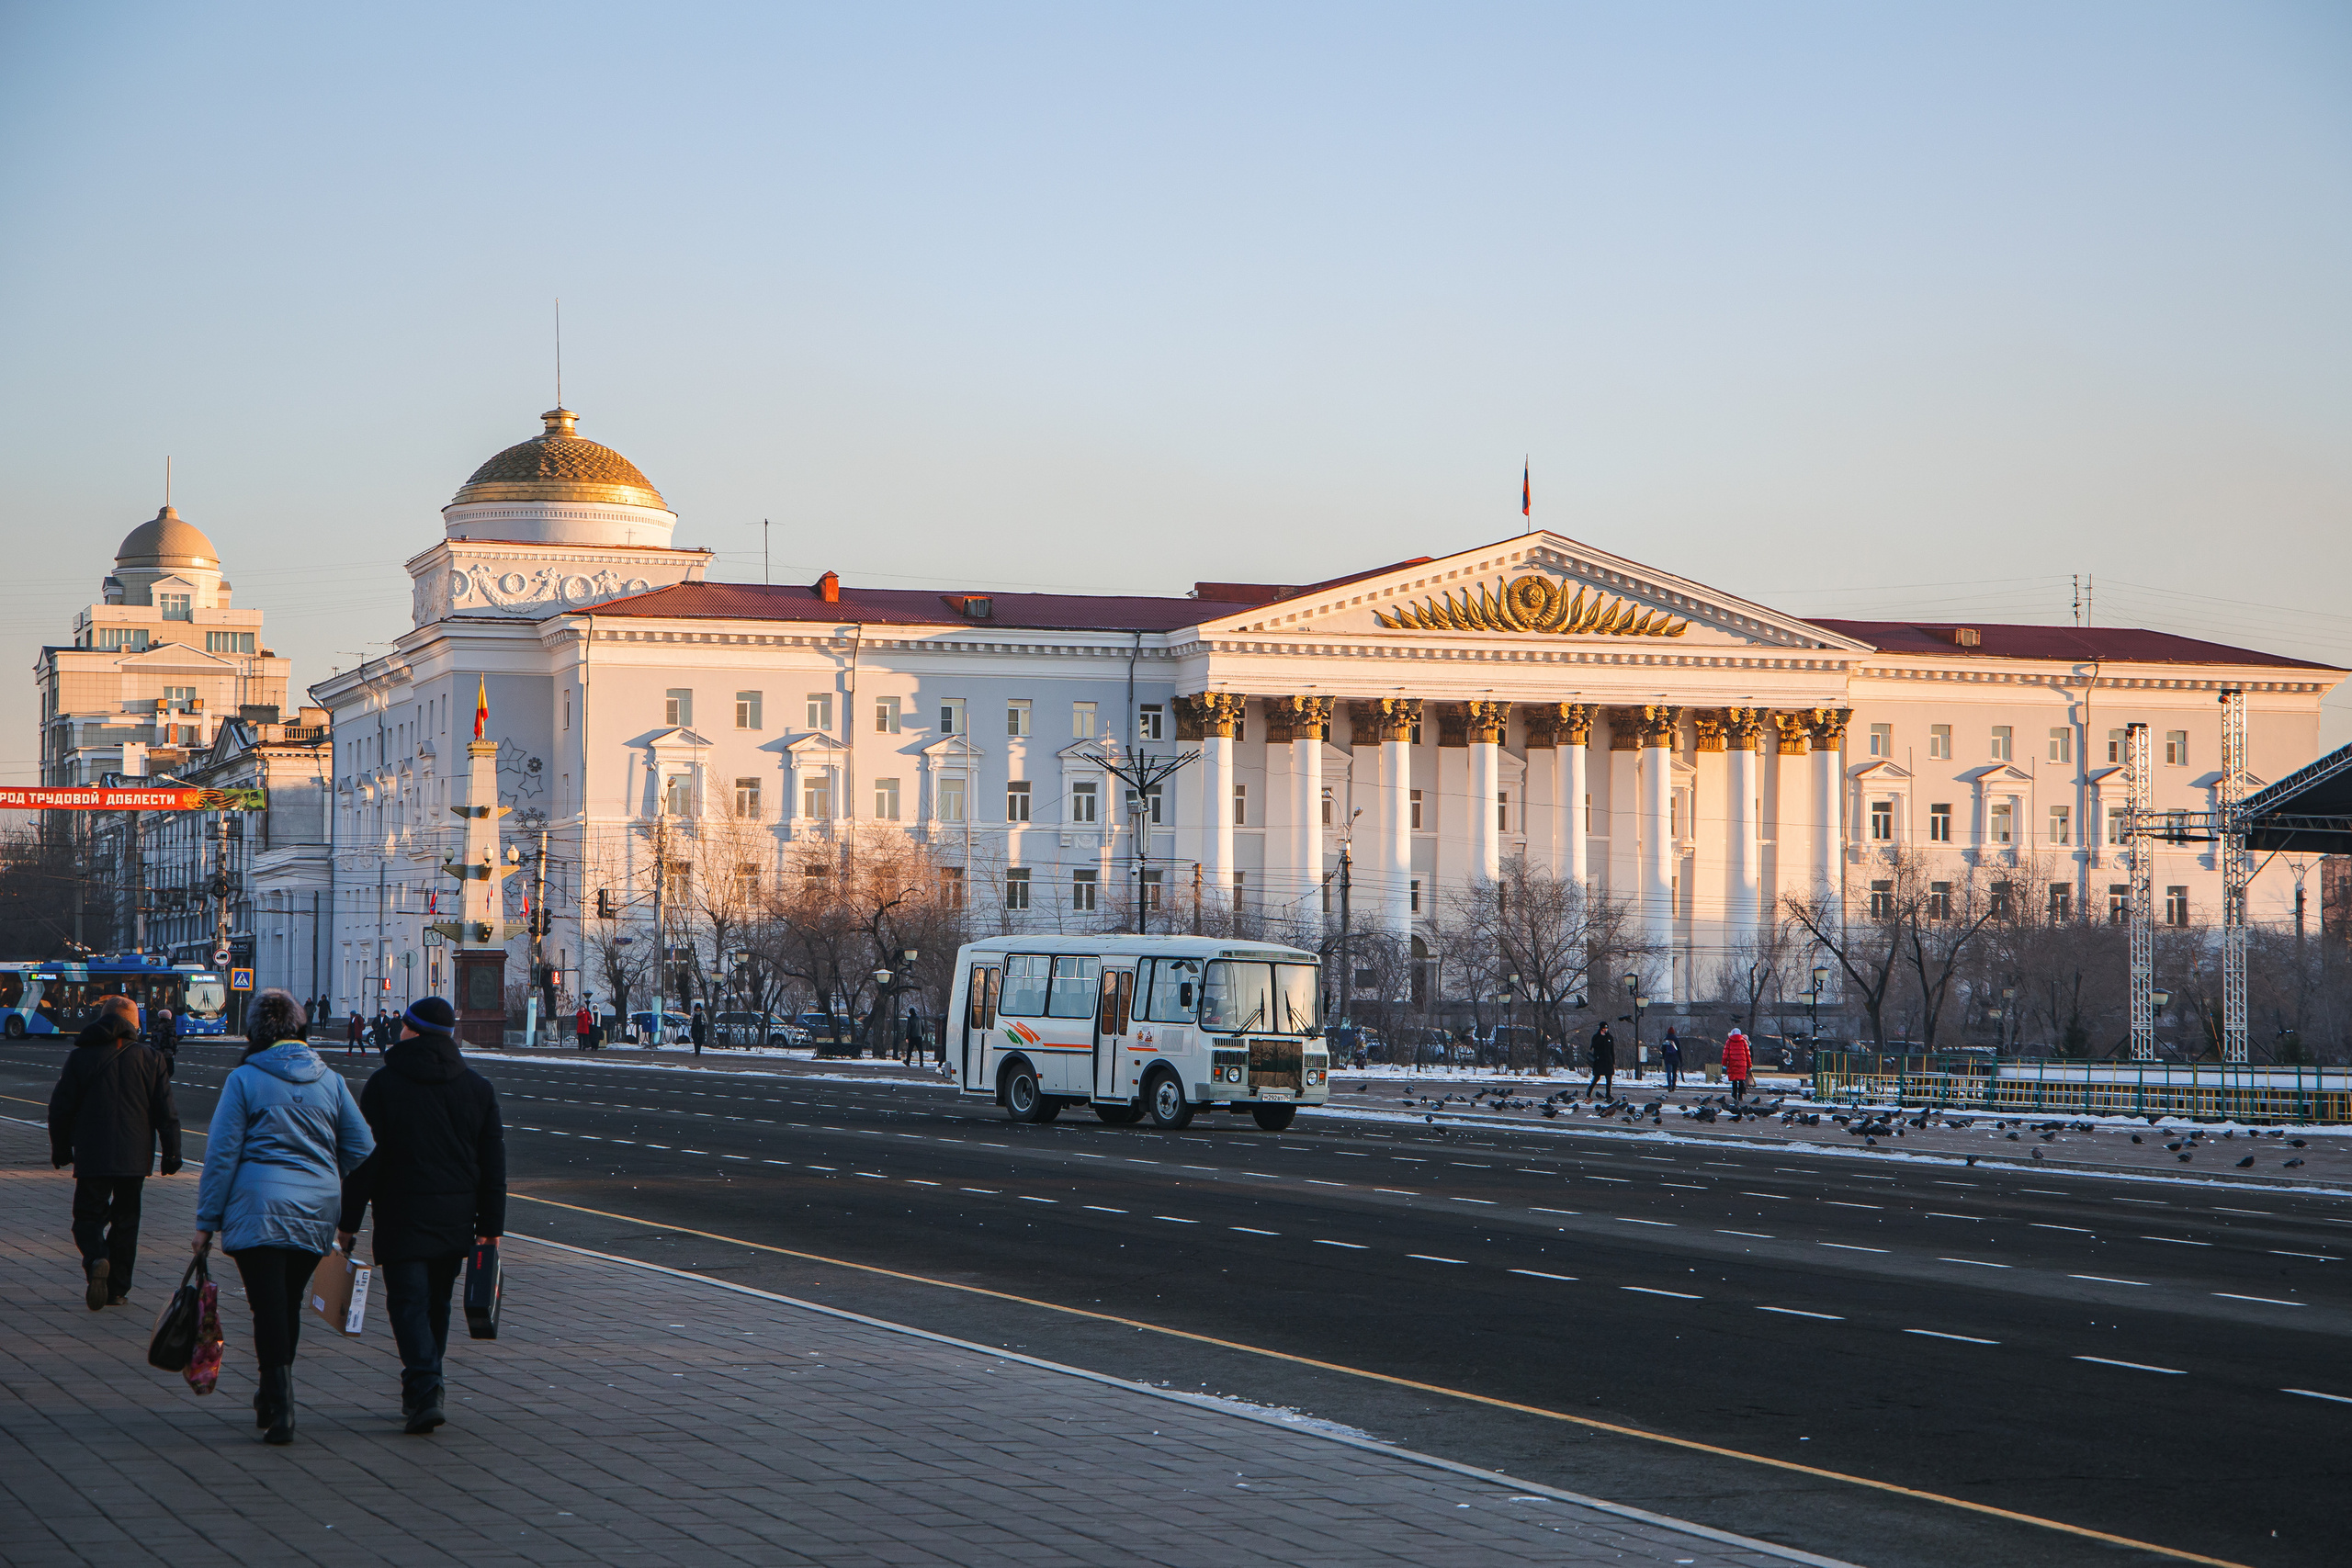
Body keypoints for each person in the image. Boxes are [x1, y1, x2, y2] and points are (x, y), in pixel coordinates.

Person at [194, 990, 373, 1445]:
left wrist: (205, 1223)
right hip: (316, 1211)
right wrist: (323, 1176)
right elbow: (361, 1146)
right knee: (285, 1304)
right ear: (301, 1029)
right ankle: (272, 1395)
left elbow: (221, 1157)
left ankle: (281, 1404)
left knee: (267, 1307)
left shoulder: (245, 1080)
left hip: (258, 1210)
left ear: (256, 1033)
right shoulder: (328, 1079)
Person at [338, 995, 506, 1436]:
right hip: (455, 1217)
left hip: (400, 1213)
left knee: (406, 1302)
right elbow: (493, 1166)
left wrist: (347, 1223)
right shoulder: (477, 1088)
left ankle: (426, 1386)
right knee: (436, 1302)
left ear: (410, 1031)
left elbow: (365, 1163)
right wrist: (490, 1229)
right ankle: (425, 1384)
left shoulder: (384, 1085)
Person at [49, 995, 182, 1311]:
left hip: (93, 1154)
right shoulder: (151, 1059)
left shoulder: (81, 1057)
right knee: (126, 1221)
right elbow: (167, 1112)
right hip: (134, 1156)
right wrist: (172, 1153)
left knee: (87, 1216)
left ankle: (96, 1257)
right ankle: (117, 1289)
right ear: (134, 1024)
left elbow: (60, 1108)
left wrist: (62, 1148)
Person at [1723, 1027, 1754, 1103]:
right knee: (1741, 1080)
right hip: (1742, 1064)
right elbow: (1747, 1054)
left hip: (1732, 1063)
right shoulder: (1744, 1041)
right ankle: (1740, 1096)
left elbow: (1725, 1054)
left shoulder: (1729, 1041)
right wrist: (1749, 1065)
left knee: (1734, 1080)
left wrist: (1724, 1064)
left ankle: (1734, 1096)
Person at [1586, 1020, 1615, 1099]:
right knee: (1597, 1077)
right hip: (1599, 1060)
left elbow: (1612, 1050)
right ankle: (1590, 1090)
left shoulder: (1610, 1037)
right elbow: (1593, 1046)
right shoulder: (1596, 1037)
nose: (1605, 1030)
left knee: (1609, 1078)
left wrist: (1613, 1061)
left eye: (1606, 1029)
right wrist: (1601, 1037)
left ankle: (1608, 1094)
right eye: (1603, 1029)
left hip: (1608, 1060)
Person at [148, 1005, 178, 1077]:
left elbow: (153, 1041)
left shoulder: (155, 1027)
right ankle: (164, 1084)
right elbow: (172, 1041)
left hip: (156, 1053)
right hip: (167, 1053)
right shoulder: (170, 1027)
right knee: (169, 1071)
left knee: (158, 1071)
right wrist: (174, 1051)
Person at [1659, 1027, 1682, 1092]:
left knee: (1668, 1073)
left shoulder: (1666, 1039)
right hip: (1675, 1058)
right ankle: (1673, 1086)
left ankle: (1669, 1086)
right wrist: (1681, 1059)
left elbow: (1663, 1049)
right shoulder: (1676, 1039)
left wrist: (1664, 1056)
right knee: (1674, 1073)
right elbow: (1679, 1050)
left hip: (1668, 1058)